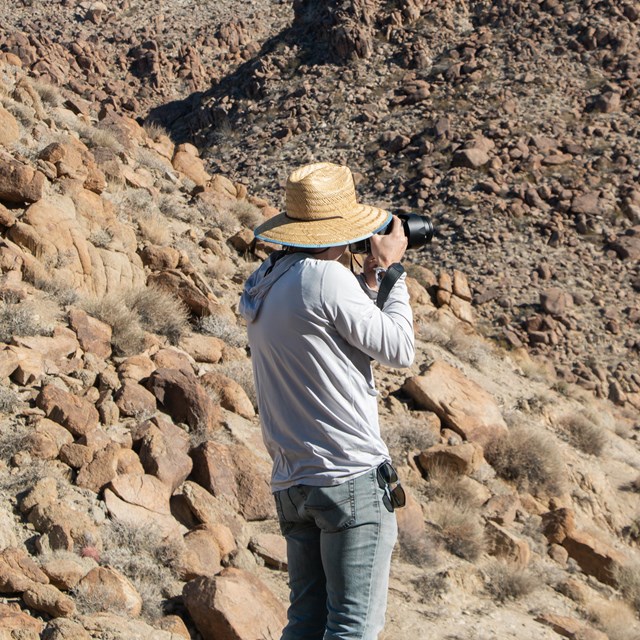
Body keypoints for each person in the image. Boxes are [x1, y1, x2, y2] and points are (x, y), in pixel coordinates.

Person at [239, 162, 414, 640]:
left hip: (294, 483)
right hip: (349, 479)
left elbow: (333, 333)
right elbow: (399, 349)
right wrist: (394, 269)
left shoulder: (267, 281)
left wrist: (372, 280)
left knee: (307, 623)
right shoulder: (324, 278)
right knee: (352, 628)